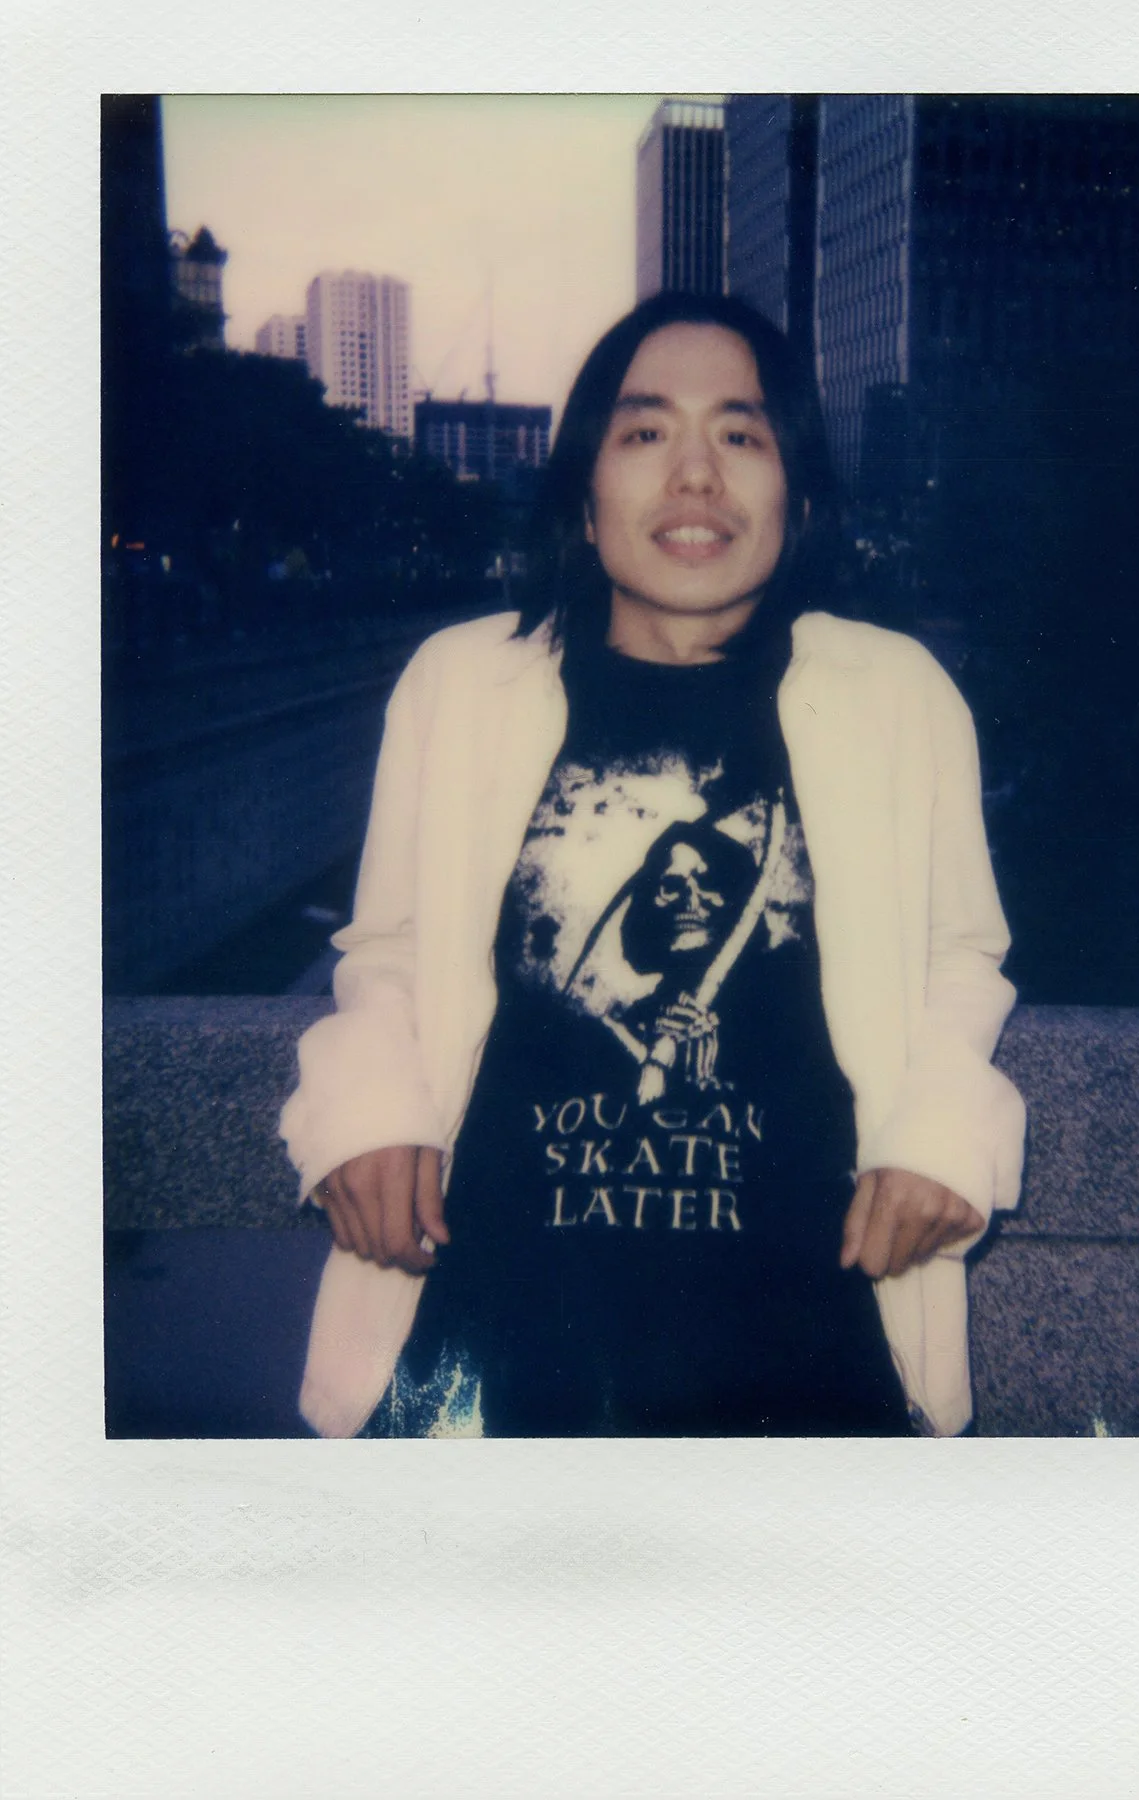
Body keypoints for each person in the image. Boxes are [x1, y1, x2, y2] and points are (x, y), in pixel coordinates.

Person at [280, 291, 1026, 1437]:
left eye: (739, 434)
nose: (693, 476)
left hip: (804, 1336)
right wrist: (370, 1113)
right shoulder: (462, 684)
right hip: (493, 1332)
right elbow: (387, 946)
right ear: (584, 496)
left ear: (799, 492)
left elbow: (959, 954)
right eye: (643, 434)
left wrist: (936, 1141)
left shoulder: (894, 694)